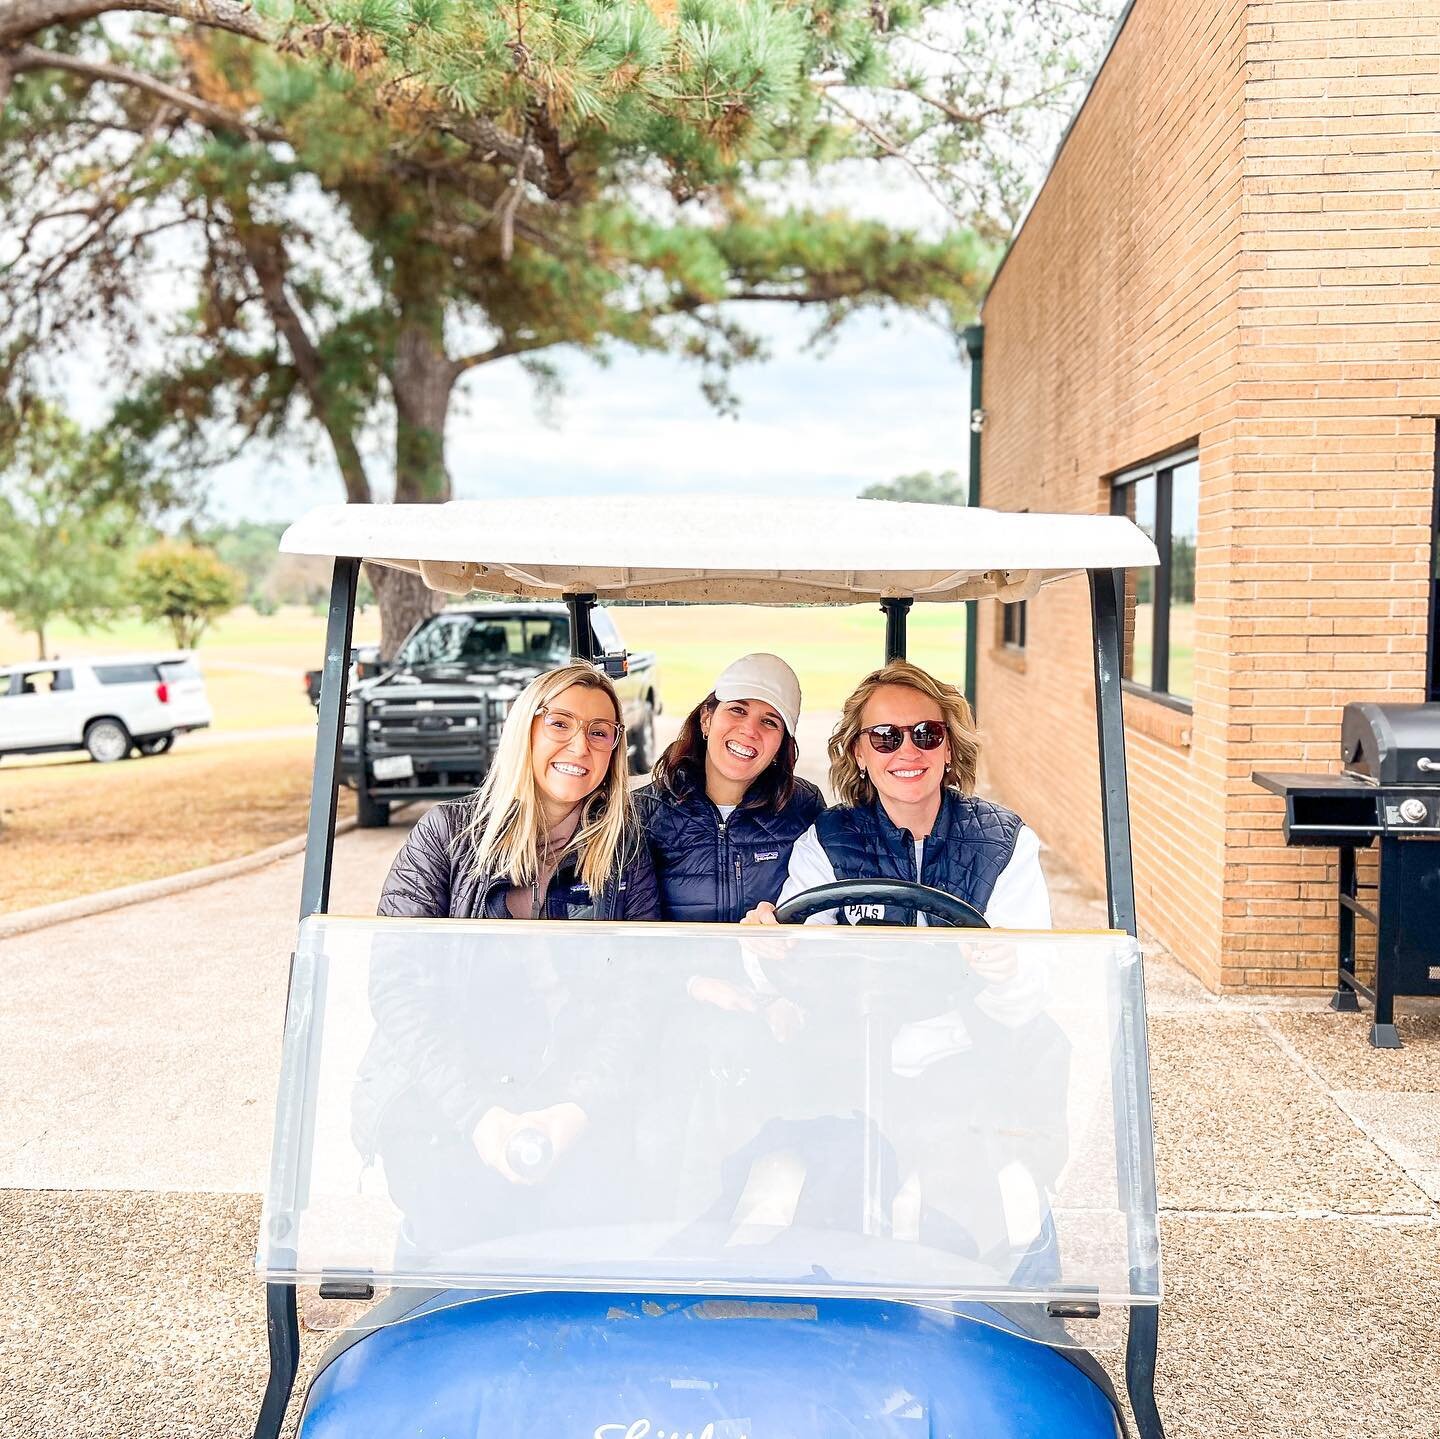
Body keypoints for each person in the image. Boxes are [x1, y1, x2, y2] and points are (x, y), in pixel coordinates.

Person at [357, 664, 658, 1240]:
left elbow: (637, 997)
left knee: (597, 1213)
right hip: (449, 1089)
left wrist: (577, 1109)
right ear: (526, 730)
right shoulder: (445, 834)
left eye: (601, 731)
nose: (581, 745)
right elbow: (398, 990)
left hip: (571, 1091)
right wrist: (478, 1117)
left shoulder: (622, 853)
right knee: (455, 1205)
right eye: (561, 724)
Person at [744, 659, 1050, 928]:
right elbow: (797, 956)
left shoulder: (1005, 844)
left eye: (926, 734)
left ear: (949, 748)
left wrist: (1006, 969)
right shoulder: (825, 842)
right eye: (884, 737)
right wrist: (769, 944)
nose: (908, 752)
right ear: (859, 753)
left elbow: (1031, 972)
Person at [636, 653, 824, 927]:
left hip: (767, 967)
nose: (749, 730)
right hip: (674, 969)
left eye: (770, 721)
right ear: (706, 719)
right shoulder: (641, 813)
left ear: (780, 745)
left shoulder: (805, 808)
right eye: (738, 709)